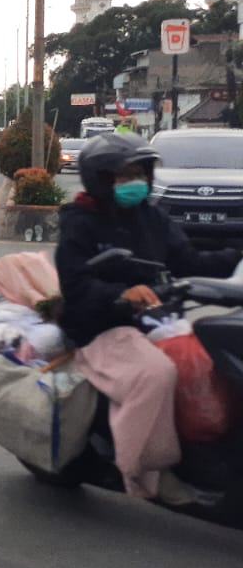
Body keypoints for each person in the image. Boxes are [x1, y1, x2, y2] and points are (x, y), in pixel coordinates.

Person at [57, 133, 240, 499]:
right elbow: (76, 286)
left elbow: (188, 260)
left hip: (155, 320)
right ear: (102, 179)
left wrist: (235, 256)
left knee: (211, 365)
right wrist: (120, 294)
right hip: (100, 329)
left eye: (141, 174)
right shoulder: (81, 222)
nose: (137, 182)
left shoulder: (152, 217)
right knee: (156, 374)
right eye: (127, 176)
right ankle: (145, 469)